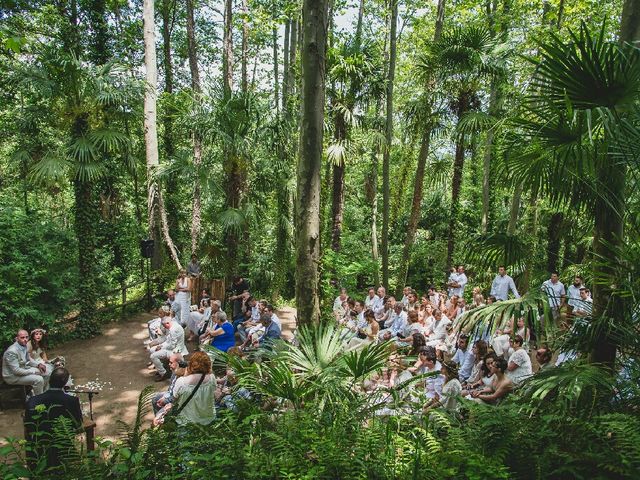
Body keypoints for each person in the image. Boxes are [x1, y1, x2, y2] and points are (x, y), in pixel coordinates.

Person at [24, 367, 82, 470]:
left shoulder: (32, 401)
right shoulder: (72, 400)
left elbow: (28, 425)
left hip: (40, 444)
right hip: (63, 444)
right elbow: (77, 423)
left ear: (50, 380)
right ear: (65, 383)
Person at [164, 351, 216, 426]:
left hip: (187, 422)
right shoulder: (212, 378)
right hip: (208, 419)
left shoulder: (181, 382)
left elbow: (174, 400)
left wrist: (185, 374)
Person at [3, 329, 51, 395]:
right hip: (12, 376)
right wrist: (34, 372)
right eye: (22, 337)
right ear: (17, 339)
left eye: (26, 337)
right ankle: (38, 401)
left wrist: (38, 364)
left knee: (47, 372)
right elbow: (16, 371)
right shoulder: (12, 351)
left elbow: (28, 359)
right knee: (38, 379)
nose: (25, 339)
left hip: (23, 369)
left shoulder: (24, 345)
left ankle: (43, 393)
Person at [149, 316, 188, 381]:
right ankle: (163, 367)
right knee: (152, 350)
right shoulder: (173, 325)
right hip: (170, 348)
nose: (164, 327)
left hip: (175, 351)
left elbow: (172, 345)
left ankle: (163, 373)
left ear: (167, 323)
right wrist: (160, 346)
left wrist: (161, 347)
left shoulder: (174, 329)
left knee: (153, 356)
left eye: (164, 326)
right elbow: (168, 341)